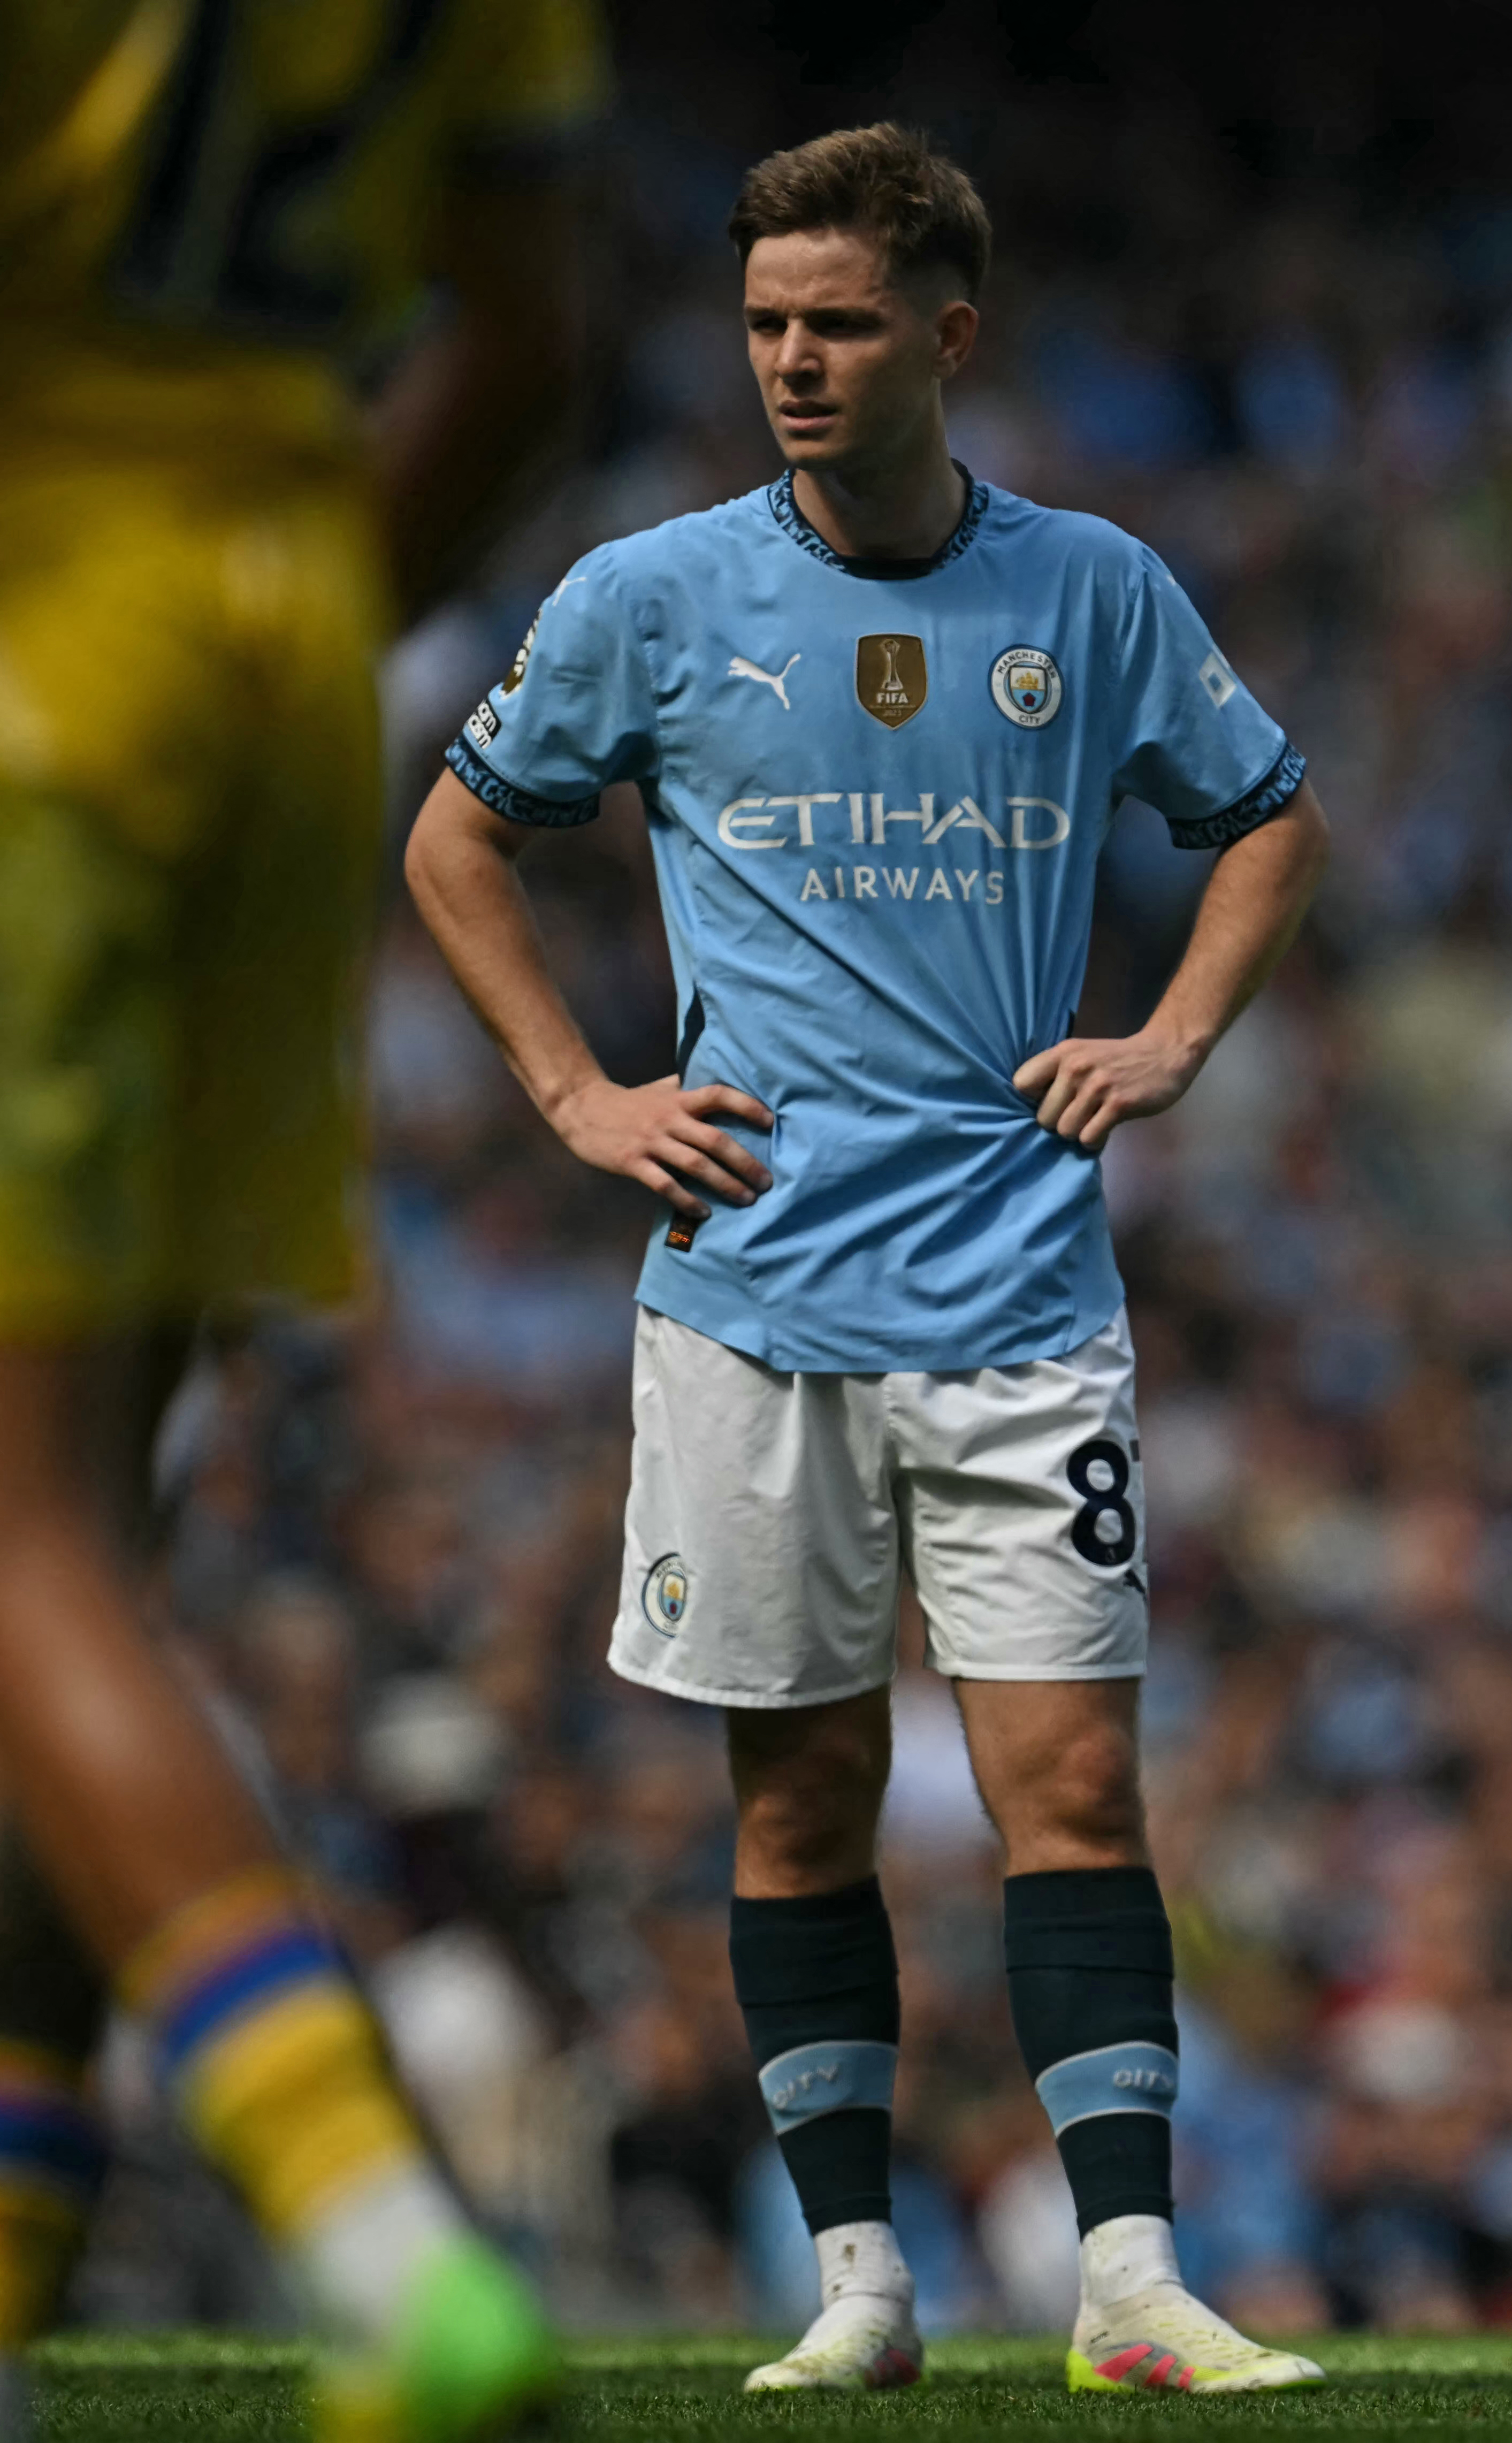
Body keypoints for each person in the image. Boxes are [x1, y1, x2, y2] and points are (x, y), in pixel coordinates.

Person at [401, 125, 1331, 2398]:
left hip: (1020, 1295)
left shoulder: (1092, 592)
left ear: (946, 333)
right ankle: (862, 2284)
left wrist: (1175, 1030)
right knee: (800, 1801)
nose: (793, 362)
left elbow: (1267, 813)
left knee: (1077, 1796)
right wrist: (576, 1094)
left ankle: (1127, 2280)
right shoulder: (649, 591)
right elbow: (456, 835)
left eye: (834, 322)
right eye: (763, 324)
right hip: (750, 1300)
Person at [0, 6, 604, 2436]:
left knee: (12, 1540)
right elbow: (539, 334)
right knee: (76, 1575)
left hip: (37, 616)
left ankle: (384, 2248)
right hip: (283, 626)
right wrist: (321, 610)